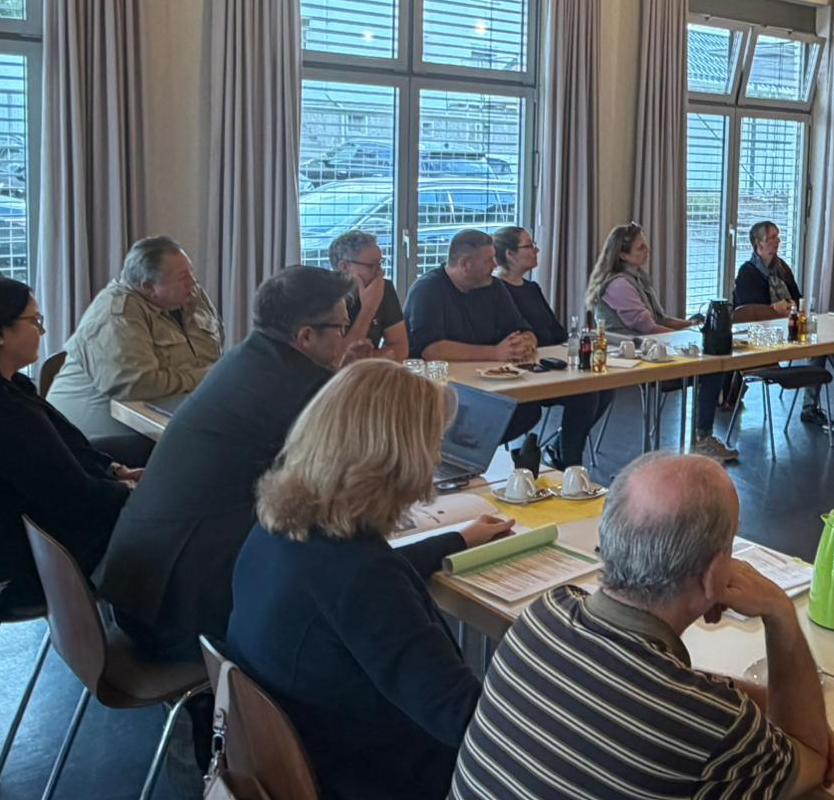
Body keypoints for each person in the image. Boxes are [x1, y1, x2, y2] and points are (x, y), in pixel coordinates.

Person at [449, 452, 834, 800]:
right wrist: (779, 613)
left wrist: (753, 703)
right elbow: (812, 756)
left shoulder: (544, 614)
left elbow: (633, 680)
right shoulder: (710, 726)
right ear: (713, 575)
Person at [225, 359, 512, 800]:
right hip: (375, 775)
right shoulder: (362, 578)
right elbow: (464, 720)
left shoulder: (282, 526)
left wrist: (456, 540)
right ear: (395, 459)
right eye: (432, 445)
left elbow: (352, 586)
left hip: (291, 753)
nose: (437, 459)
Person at [98, 266, 364, 660]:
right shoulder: (305, 390)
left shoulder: (244, 357)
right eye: (342, 328)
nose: (349, 337)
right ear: (306, 336)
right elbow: (344, 488)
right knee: (342, 590)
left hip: (135, 592)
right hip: (183, 619)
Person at [0, 277, 136, 612]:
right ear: (0, 333)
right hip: (36, 564)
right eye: (34, 321)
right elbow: (79, 500)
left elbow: (67, 449)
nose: (43, 331)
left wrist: (113, 470)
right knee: (186, 521)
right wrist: (133, 491)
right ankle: (157, 624)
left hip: (19, 546)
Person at [404, 229, 608, 468]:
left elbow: (523, 328)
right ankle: (459, 459)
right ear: (465, 264)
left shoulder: (494, 287)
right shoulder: (428, 289)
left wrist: (526, 341)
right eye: (488, 260)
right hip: (447, 387)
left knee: (568, 397)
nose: (494, 264)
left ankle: (568, 463)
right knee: (512, 412)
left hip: (498, 381)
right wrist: (495, 353)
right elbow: (432, 350)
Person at [47, 236, 223, 443]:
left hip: (170, 416)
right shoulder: (117, 313)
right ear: (148, 287)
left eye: (191, 272)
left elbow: (212, 353)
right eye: (183, 277)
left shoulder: (189, 295)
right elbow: (135, 384)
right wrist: (204, 377)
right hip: (95, 439)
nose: (193, 282)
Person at [588, 223, 737, 461]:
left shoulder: (637, 279)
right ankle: (702, 438)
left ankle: (703, 437)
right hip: (632, 354)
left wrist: (690, 325)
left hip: (649, 346)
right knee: (711, 366)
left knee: (710, 359)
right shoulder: (619, 285)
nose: (647, 251)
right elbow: (647, 327)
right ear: (623, 255)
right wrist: (689, 337)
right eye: (641, 248)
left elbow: (660, 319)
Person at [731, 220, 834, 425]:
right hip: (761, 335)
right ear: (758, 243)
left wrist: (791, 305)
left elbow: (797, 297)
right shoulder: (747, 272)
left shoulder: (782, 268)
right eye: (772, 238)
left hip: (787, 326)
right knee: (818, 342)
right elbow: (749, 312)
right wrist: (773, 309)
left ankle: (819, 402)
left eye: (778, 237)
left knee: (820, 339)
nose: (777, 241)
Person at [330, 230, 409, 361]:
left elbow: (401, 349)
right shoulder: (326, 298)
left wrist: (362, 359)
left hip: (371, 371)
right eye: (372, 266)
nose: (380, 273)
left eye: (380, 264)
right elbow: (338, 362)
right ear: (344, 267)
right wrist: (368, 309)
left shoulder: (383, 288)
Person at [492, 226, 567, 345]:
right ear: (510, 254)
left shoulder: (532, 288)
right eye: (529, 246)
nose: (536, 250)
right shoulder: (496, 290)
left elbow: (559, 333)